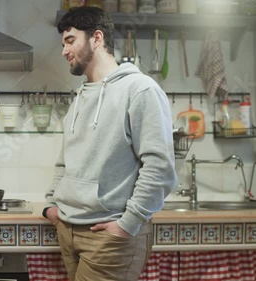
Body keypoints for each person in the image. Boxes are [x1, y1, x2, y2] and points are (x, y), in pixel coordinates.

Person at [42, 7, 177, 281]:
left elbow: (159, 167)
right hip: (68, 229)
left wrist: (127, 225)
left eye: (70, 41)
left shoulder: (140, 90)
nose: (64, 51)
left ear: (97, 38)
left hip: (108, 237)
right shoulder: (79, 97)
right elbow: (64, 161)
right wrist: (51, 205)